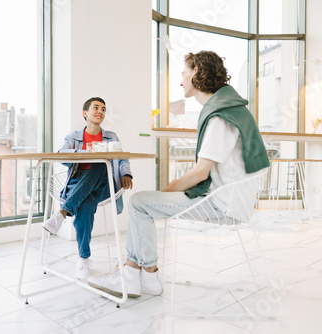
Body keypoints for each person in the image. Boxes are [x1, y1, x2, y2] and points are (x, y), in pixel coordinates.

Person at [87, 51, 269, 298]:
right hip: (232, 199)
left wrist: (165, 192)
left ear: (196, 72)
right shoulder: (231, 109)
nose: (181, 81)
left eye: (183, 74)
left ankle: (133, 275)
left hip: (220, 203)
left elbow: (200, 172)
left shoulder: (220, 117)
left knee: (140, 203)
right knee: (144, 203)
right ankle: (146, 276)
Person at [41, 97, 133, 280]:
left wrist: (126, 174)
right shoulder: (73, 137)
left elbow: (122, 158)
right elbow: (61, 154)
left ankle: (61, 213)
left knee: (100, 163)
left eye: (103, 109)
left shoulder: (111, 136)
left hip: (105, 185)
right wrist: (84, 154)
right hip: (79, 184)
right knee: (86, 203)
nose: (100, 111)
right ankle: (84, 259)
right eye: (96, 108)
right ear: (85, 113)